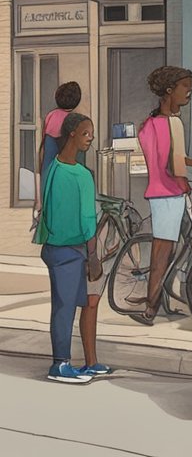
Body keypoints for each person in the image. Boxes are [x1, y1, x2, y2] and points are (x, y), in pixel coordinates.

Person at [132, 66, 192, 326]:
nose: (189, 91)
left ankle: (162, 300)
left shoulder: (150, 124)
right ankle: (150, 310)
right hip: (171, 193)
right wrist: (189, 174)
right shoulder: (172, 123)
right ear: (169, 90)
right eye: (184, 86)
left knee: (180, 244)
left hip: (160, 192)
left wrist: (190, 166)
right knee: (162, 253)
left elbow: (163, 158)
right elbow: (171, 162)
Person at [35, 113, 100, 384]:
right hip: (71, 249)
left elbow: (47, 209)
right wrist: (93, 256)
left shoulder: (52, 169)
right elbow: (88, 219)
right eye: (86, 134)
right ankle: (60, 363)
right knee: (64, 309)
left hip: (52, 246)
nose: (90, 139)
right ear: (72, 133)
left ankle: (87, 363)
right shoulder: (81, 175)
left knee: (72, 304)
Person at [31, 82, 83, 240]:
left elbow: (44, 145)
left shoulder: (50, 116)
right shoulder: (74, 120)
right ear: (77, 100)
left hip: (47, 165)